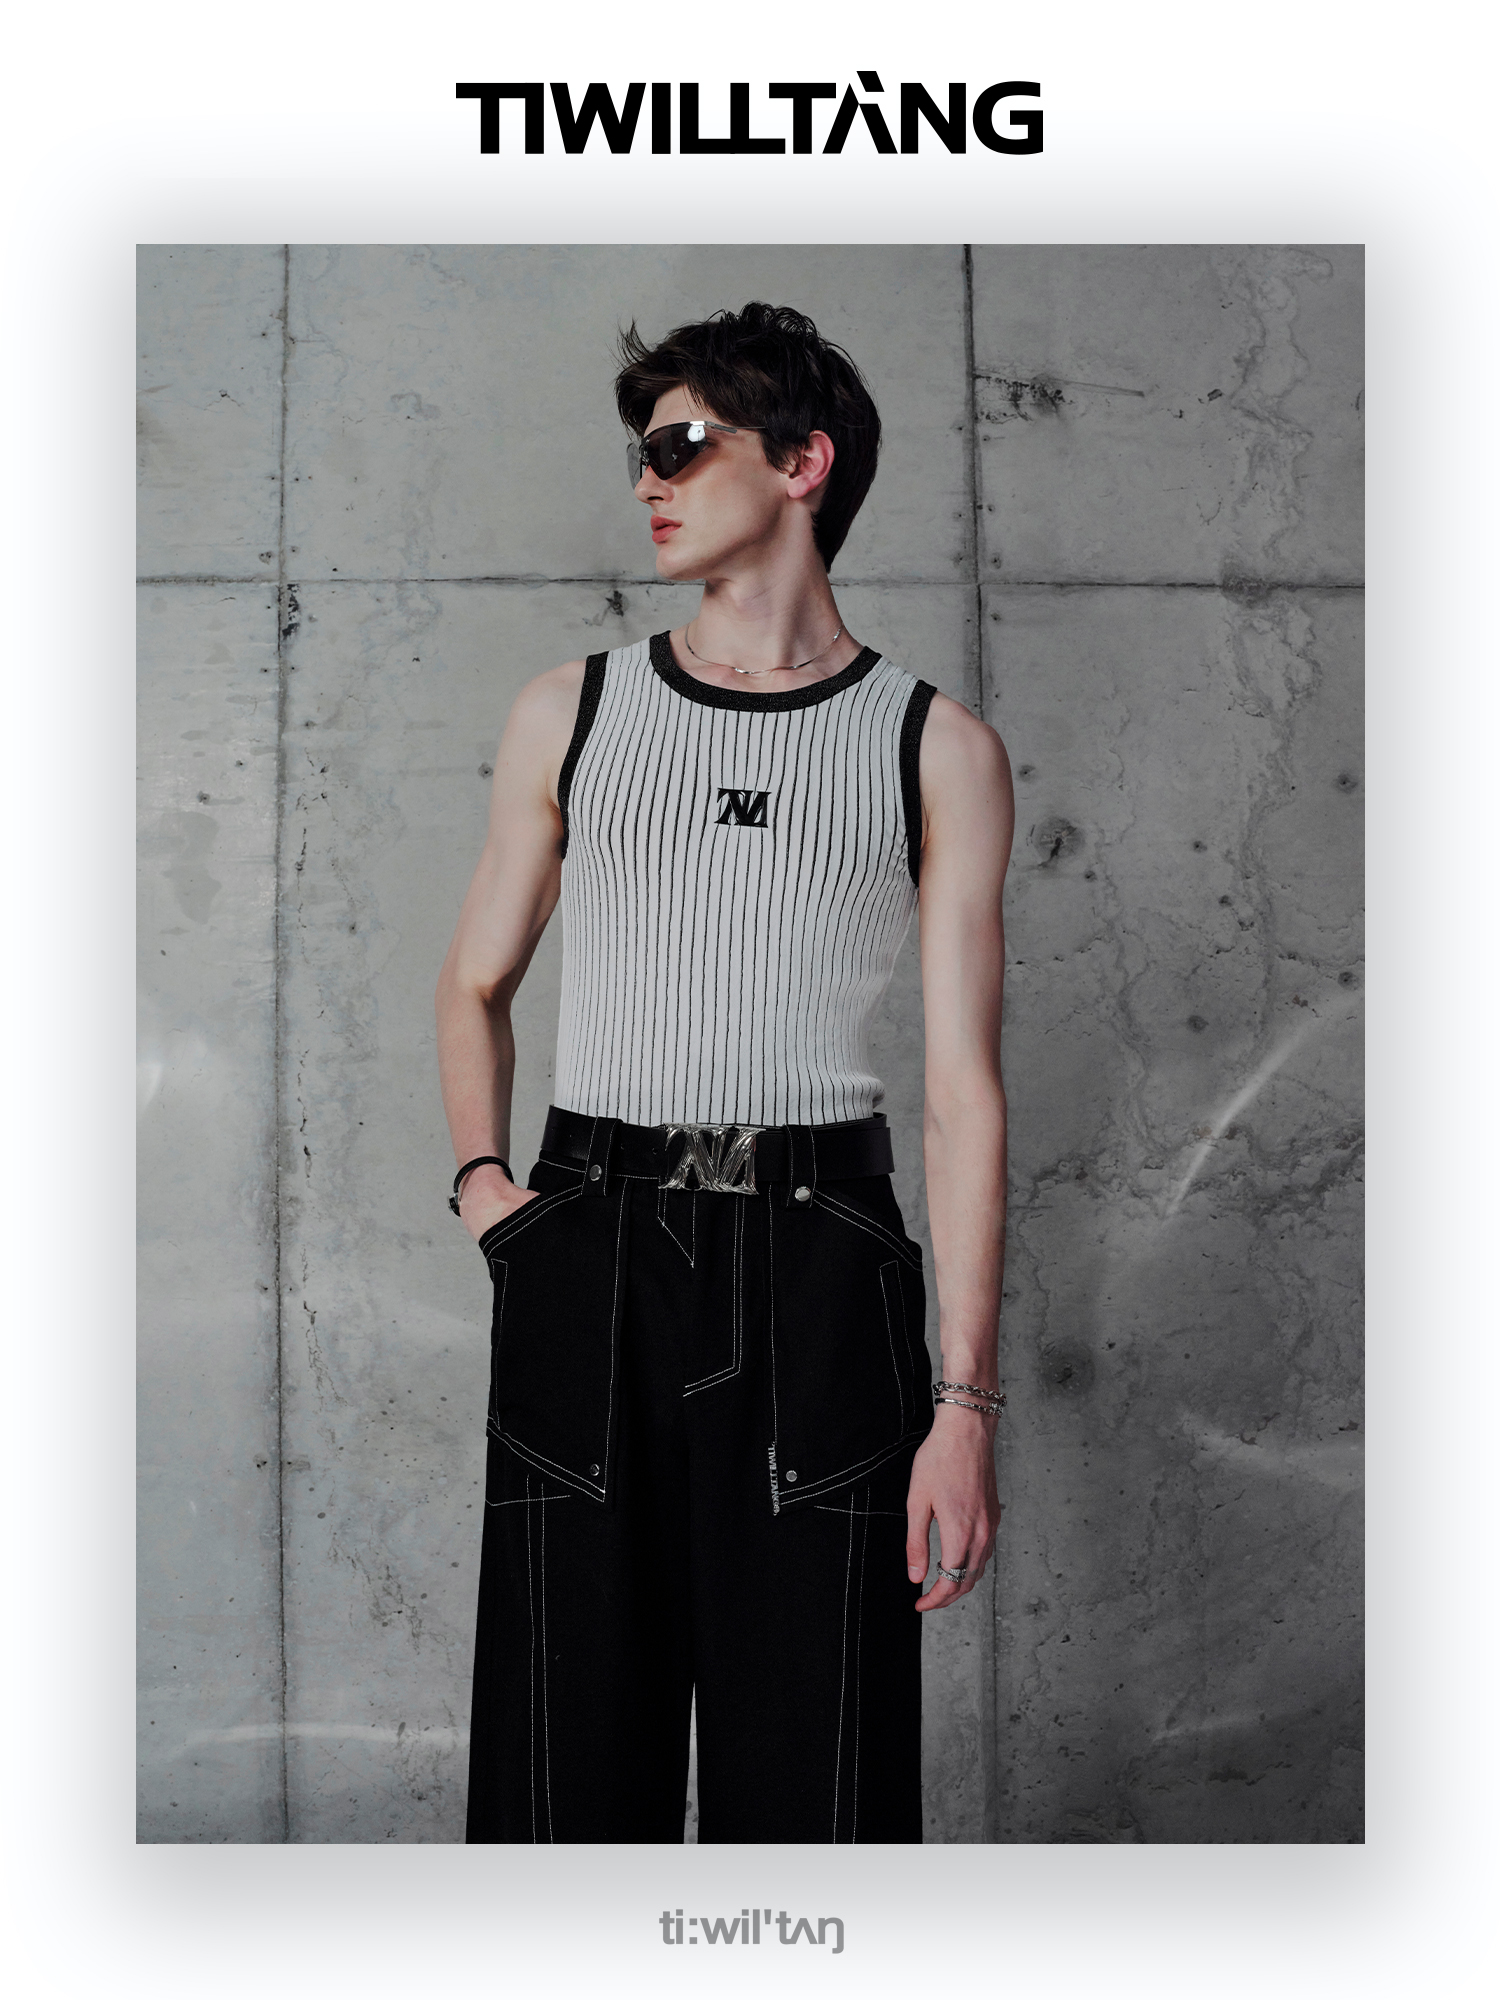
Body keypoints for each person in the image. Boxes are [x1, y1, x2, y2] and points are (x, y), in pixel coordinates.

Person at [435, 302, 1014, 1843]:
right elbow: (475, 982)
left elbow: (963, 1093)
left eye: (684, 443)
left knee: (817, 1779)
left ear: (803, 462)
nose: (651, 478)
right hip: (591, 1238)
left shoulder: (935, 746)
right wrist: (491, 1191)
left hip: (822, 1261)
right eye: (642, 451)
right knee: (561, 1769)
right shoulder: (573, 710)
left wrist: (963, 1407)